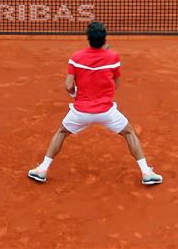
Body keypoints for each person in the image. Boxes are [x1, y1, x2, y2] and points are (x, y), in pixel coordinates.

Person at [27, 21, 163, 185]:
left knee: (61, 132)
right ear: (104, 39)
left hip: (80, 112)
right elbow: (116, 84)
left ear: (88, 38)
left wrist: (76, 94)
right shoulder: (113, 57)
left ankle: (42, 169)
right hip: (107, 112)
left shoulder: (76, 58)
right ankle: (146, 172)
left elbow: (69, 86)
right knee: (129, 133)